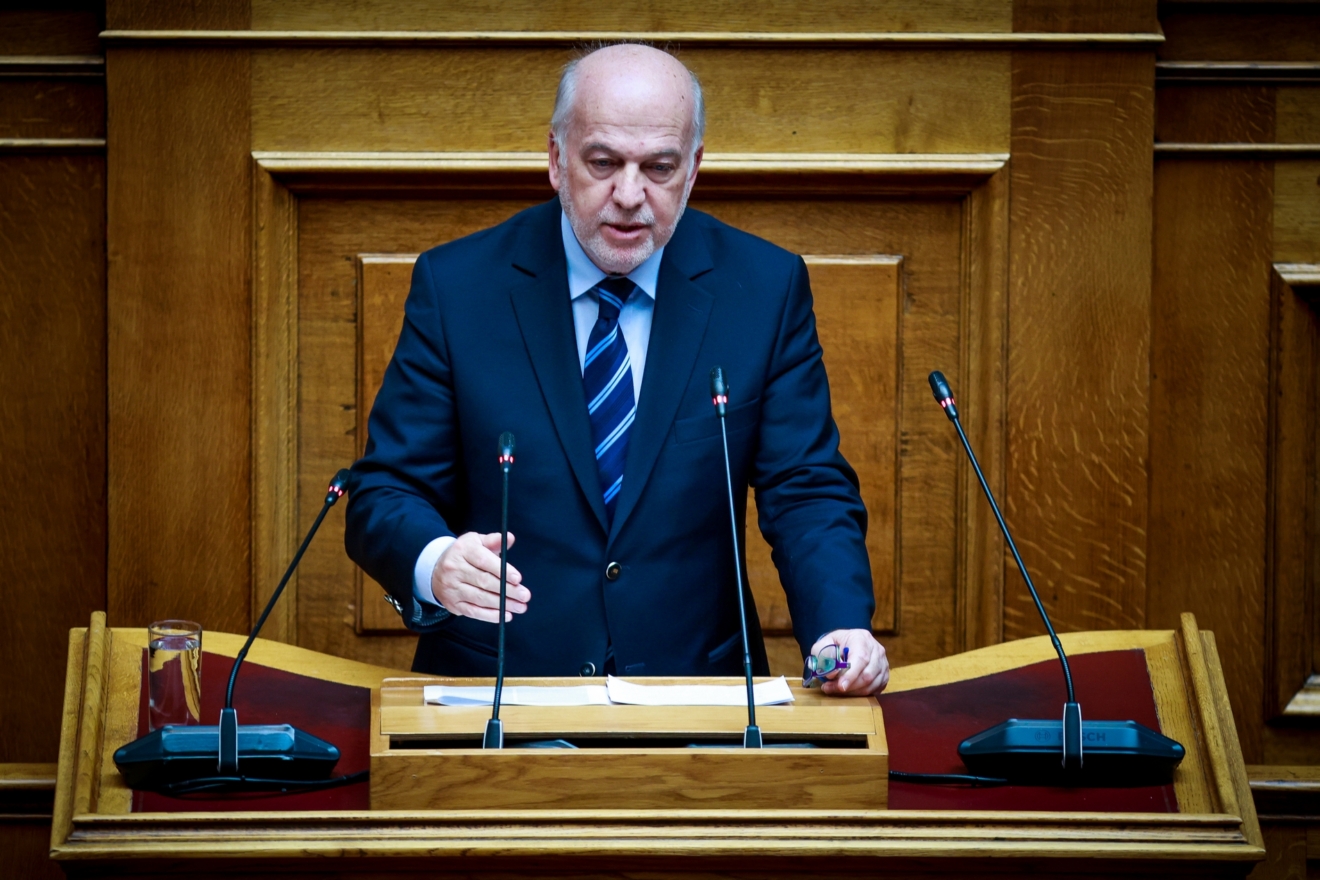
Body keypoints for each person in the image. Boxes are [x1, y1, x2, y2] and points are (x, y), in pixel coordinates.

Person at [346, 43, 889, 696]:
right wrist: (435, 563)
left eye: (659, 168)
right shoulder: (459, 287)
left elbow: (805, 489)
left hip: (696, 696)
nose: (630, 196)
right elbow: (386, 490)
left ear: (693, 169)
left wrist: (838, 626)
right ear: (556, 159)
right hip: (498, 691)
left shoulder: (764, 288)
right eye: (603, 163)